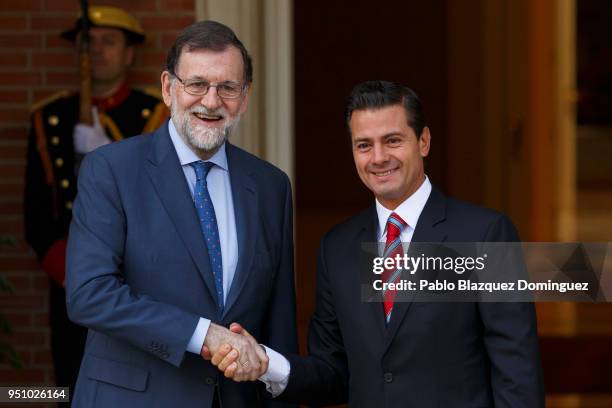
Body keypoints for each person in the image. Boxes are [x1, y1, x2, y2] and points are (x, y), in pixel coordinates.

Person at [210, 81, 545, 407]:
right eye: (364, 145)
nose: (379, 157)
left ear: (423, 141)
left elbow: (517, 371)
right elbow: (332, 374)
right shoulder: (337, 248)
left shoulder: (486, 234)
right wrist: (267, 364)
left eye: (393, 140)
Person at [64, 20, 298, 408]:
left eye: (227, 87)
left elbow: (279, 324)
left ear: (246, 95)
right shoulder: (112, 169)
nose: (211, 101)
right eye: (197, 84)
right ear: (167, 88)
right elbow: (90, 295)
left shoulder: (271, 186)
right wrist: (205, 335)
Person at [23, 5, 168, 397]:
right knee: (69, 386)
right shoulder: (50, 116)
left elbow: (159, 198)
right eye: (88, 42)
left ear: (129, 54)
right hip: (72, 276)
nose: (96, 51)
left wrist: (111, 153)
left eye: (109, 42)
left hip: (136, 280)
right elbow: (36, 212)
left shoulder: (153, 114)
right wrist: (72, 272)